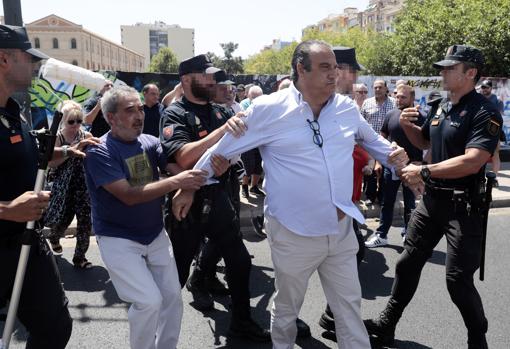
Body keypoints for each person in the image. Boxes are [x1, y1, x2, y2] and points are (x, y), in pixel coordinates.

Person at [173, 40, 410, 348]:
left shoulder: (346, 108)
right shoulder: (267, 109)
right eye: (325, 67)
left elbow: (375, 142)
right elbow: (222, 151)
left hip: (340, 230)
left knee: (349, 312)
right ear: (301, 69)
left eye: (335, 68)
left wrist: (399, 160)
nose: (334, 75)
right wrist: (189, 185)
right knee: (287, 312)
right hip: (293, 232)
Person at [364, 45, 502, 349]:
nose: (443, 72)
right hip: (432, 202)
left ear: (470, 73)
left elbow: (474, 159)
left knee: (457, 280)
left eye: (450, 68)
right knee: (407, 263)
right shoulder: (441, 105)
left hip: (463, 206)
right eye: (443, 67)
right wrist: (404, 125)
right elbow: (424, 139)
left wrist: (424, 172)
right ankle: (387, 324)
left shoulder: (484, 110)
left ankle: (477, 339)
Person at [83, 85, 207, 349]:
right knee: (148, 301)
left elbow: (175, 168)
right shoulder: (99, 151)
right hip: (118, 239)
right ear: (111, 118)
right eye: (130, 110)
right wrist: (178, 183)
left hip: (154, 234)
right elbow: (128, 195)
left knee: (172, 297)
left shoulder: (150, 142)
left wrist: (186, 184)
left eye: (140, 108)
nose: (139, 115)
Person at [159, 54, 270, 342]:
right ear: (186, 80)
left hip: (218, 198)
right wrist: (222, 134)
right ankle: (159, 334)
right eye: (205, 76)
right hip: (187, 205)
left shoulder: (221, 112)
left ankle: (242, 322)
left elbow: (233, 151)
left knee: (240, 260)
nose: (212, 81)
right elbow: (182, 156)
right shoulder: (175, 114)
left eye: (213, 76)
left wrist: (227, 162)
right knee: (175, 274)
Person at [0, 24, 95, 348]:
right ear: (4, 60)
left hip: (27, 243)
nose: (35, 64)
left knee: (54, 326)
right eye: (28, 57)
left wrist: (68, 151)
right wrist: (7, 209)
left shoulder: (12, 112)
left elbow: (32, 157)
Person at [365, 84, 424, 248]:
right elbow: (381, 139)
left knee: (410, 204)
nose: (399, 99)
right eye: (397, 96)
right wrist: (377, 162)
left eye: (403, 97)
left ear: (412, 99)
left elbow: (427, 145)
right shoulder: (390, 114)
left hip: (412, 169)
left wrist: (420, 167)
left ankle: (408, 234)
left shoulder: (420, 116)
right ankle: (382, 235)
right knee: (387, 202)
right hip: (391, 169)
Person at [45, 100, 93, 269]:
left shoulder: (86, 135)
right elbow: (51, 163)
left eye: (79, 121)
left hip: (83, 186)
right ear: (64, 120)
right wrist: (71, 151)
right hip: (63, 187)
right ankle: (54, 237)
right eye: (71, 121)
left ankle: (80, 257)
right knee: (62, 220)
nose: (75, 125)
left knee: (85, 223)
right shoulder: (58, 137)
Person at [361, 79, 396, 205]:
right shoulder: (367, 103)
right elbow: (361, 122)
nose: (377, 90)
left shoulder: (394, 103)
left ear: (386, 89)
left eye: (380, 87)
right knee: (370, 171)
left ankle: (382, 197)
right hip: (369, 143)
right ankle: (370, 196)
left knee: (385, 171)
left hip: (386, 143)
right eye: (375, 87)